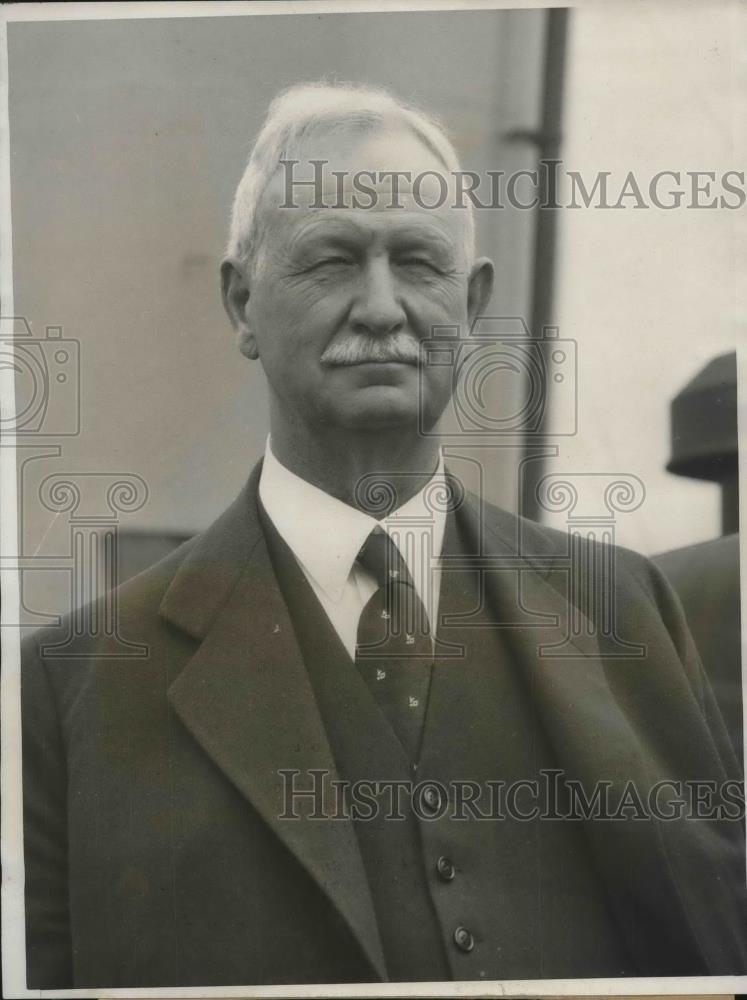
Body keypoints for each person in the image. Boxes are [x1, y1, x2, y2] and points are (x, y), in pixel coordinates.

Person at [22, 82, 746, 989]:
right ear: (242, 303)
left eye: (417, 262)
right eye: (330, 261)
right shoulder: (77, 684)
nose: (380, 307)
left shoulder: (626, 610)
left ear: (472, 303)